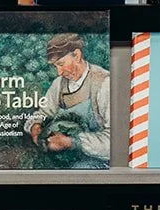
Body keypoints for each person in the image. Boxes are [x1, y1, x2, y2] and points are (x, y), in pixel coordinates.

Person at [24, 32, 110, 168]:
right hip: (63, 158)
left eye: (61, 64)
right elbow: (44, 112)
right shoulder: (59, 84)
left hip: (95, 161)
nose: (59, 72)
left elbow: (112, 142)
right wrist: (35, 125)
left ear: (77, 55)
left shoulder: (103, 83)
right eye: (55, 66)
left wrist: (72, 142)